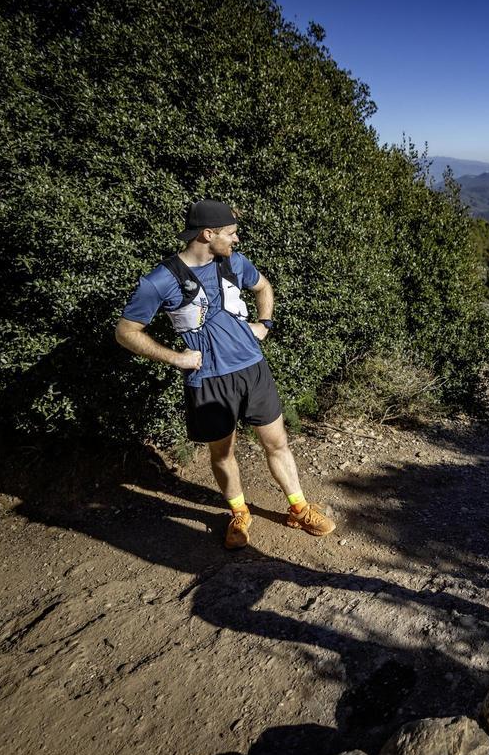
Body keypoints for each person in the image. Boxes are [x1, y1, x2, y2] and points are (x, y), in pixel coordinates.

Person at [115, 199, 334, 549]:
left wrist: (265, 324)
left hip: (252, 369)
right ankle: (239, 513)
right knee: (222, 454)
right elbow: (126, 331)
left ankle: (299, 508)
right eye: (231, 233)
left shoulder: (234, 262)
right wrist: (176, 358)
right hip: (209, 379)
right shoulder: (160, 280)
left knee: (277, 443)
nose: (236, 240)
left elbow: (263, 287)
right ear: (208, 233)